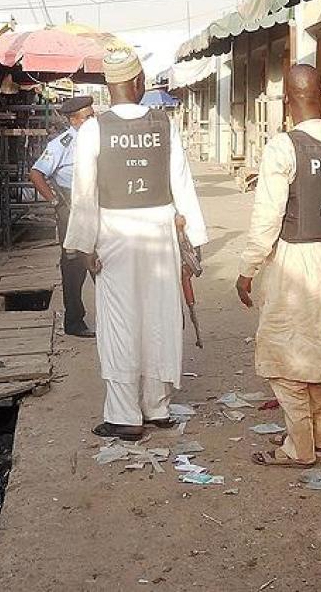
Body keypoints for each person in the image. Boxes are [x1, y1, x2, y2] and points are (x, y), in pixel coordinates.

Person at [64, 48, 208, 441]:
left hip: (114, 235)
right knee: (159, 317)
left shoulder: (93, 128)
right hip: (159, 232)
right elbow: (183, 184)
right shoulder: (164, 123)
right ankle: (157, 408)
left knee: (120, 323)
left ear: (110, 87)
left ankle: (125, 415)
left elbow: (84, 194)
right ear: (140, 82)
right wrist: (193, 236)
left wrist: (84, 245)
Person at [236, 64, 321, 467]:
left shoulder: (284, 146)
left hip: (298, 261)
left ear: (287, 101)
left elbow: (267, 218)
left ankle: (299, 448)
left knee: (287, 356)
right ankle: (319, 435)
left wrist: (248, 269)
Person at [30, 95, 97, 338]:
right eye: (88, 116)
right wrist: (56, 202)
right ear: (74, 120)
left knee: (104, 263)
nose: (93, 119)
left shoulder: (99, 138)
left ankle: (114, 321)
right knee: (74, 267)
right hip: (72, 206)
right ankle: (74, 322)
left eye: (93, 115)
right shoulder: (63, 143)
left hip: (96, 205)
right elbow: (36, 173)